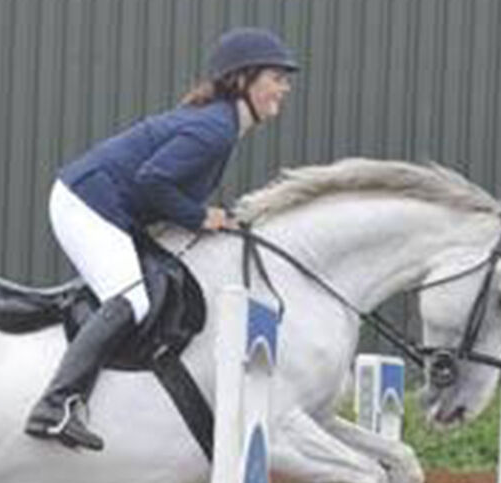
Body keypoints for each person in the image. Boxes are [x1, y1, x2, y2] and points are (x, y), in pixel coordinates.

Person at [25, 27, 300, 451]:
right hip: (86, 202)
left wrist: (202, 218)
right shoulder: (215, 130)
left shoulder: (222, 126)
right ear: (243, 79)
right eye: (277, 76)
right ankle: (55, 405)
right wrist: (199, 217)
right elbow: (153, 180)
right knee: (133, 299)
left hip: (108, 205)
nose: (285, 86)